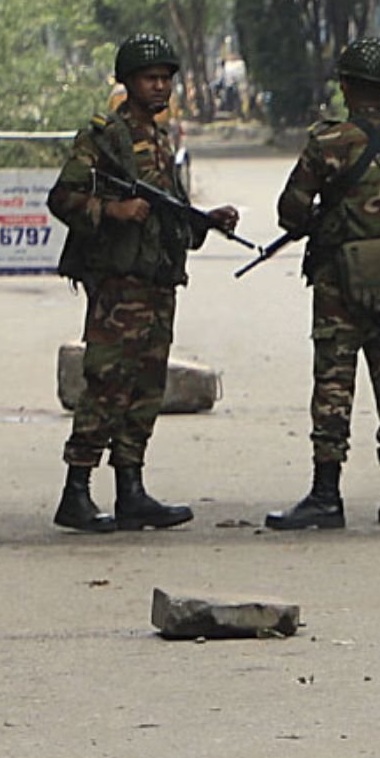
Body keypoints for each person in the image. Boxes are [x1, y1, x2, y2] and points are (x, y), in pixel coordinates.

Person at [48, 33, 239, 533]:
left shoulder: (161, 139)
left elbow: (169, 212)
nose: (160, 87)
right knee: (106, 384)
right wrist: (111, 210)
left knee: (146, 388)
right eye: (151, 79)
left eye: (165, 79)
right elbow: (62, 197)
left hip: (156, 281)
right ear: (128, 82)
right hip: (118, 285)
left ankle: (131, 489)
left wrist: (206, 221)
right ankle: (77, 490)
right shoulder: (104, 138)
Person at [266, 38, 380, 530]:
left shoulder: (327, 144)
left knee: (333, 386)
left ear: (345, 86)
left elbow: (290, 212)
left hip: (339, 286)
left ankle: (327, 496)